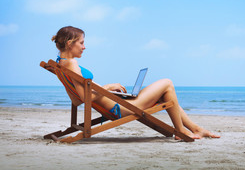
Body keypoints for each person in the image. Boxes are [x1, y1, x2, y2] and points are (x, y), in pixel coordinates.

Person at [51, 26, 220, 139]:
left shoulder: (61, 63)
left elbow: (76, 99)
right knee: (167, 83)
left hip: (117, 104)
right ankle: (182, 131)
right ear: (69, 43)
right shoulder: (71, 64)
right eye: (81, 43)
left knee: (165, 93)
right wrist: (108, 87)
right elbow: (83, 97)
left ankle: (193, 128)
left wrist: (110, 92)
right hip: (120, 109)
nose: (84, 47)